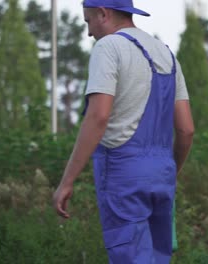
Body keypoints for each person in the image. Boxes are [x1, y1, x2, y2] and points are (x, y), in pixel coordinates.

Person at [52, 0, 194, 263]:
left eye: (88, 21)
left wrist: (67, 181)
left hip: (124, 172)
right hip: (163, 173)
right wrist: (169, 172)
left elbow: (98, 116)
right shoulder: (166, 54)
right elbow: (186, 130)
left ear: (103, 13)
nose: (89, 32)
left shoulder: (108, 47)